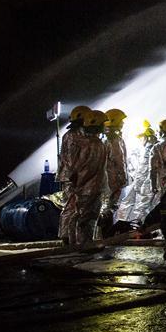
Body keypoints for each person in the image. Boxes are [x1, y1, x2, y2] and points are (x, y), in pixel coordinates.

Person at [58, 109, 110, 244]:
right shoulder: (92, 143)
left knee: (77, 212)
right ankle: (81, 243)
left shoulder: (86, 141)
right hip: (87, 185)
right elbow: (85, 167)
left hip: (81, 183)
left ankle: (72, 240)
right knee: (84, 214)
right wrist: (78, 182)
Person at [54, 104, 90, 240]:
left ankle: (73, 236)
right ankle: (65, 237)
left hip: (76, 176)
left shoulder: (78, 134)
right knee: (70, 206)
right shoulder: (71, 136)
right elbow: (70, 159)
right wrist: (75, 176)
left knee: (76, 206)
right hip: (72, 177)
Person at [98, 108, 129, 238]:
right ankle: (107, 234)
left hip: (104, 180)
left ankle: (102, 234)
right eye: (121, 121)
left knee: (105, 205)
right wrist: (124, 178)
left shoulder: (102, 139)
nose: (123, 123)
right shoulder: (115, 140)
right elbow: (119, 161)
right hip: (113, 179)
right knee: (111, 207)